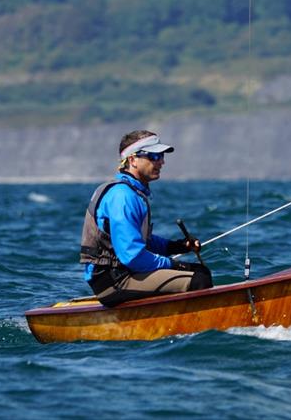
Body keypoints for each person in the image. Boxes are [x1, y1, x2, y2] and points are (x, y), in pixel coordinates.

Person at [80, 130, 213, 307]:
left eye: (162, 155)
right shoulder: (123, 196)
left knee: (198, 271)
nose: (161, 161)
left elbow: (142, 241)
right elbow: (132, 256)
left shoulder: (131, 192)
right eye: (154, 156)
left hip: (124, 273)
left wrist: (177, 246)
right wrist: (174, 265)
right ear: (133, 160)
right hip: (115, 281)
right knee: (199, 278)